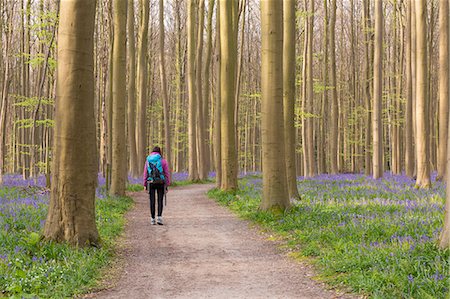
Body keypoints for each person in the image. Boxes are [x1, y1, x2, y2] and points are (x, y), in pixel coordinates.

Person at [143, 146, 171, 225]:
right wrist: (167, 184)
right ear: (160, 152)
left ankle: (152, 219)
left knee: (152, 200)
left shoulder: (148, 161)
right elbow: (166, 173)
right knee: (160, 200)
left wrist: (145, 184)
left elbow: (145, 173)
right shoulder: (163, 161)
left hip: (151, 182)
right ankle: (159, 217)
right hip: (161, 182)